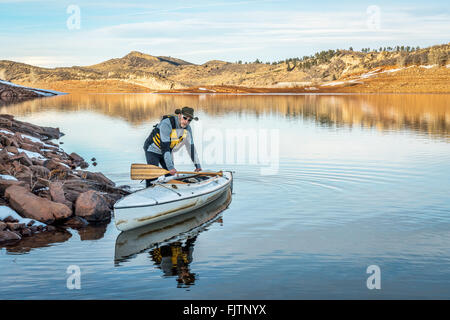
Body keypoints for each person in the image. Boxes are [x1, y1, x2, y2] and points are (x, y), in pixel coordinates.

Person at [143, 106, 202, 186]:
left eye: (189, 120)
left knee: (171, 176)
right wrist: (170, 167)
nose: (186, 122)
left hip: (167, 151)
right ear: (179, 115)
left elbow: (191, 148)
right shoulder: (167, 124)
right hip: (153, 149)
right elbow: (165, 147)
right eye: (185, 118)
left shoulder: (187, 129)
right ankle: (148, 191)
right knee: (153, 176)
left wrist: (197, 165)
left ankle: (168, 194)